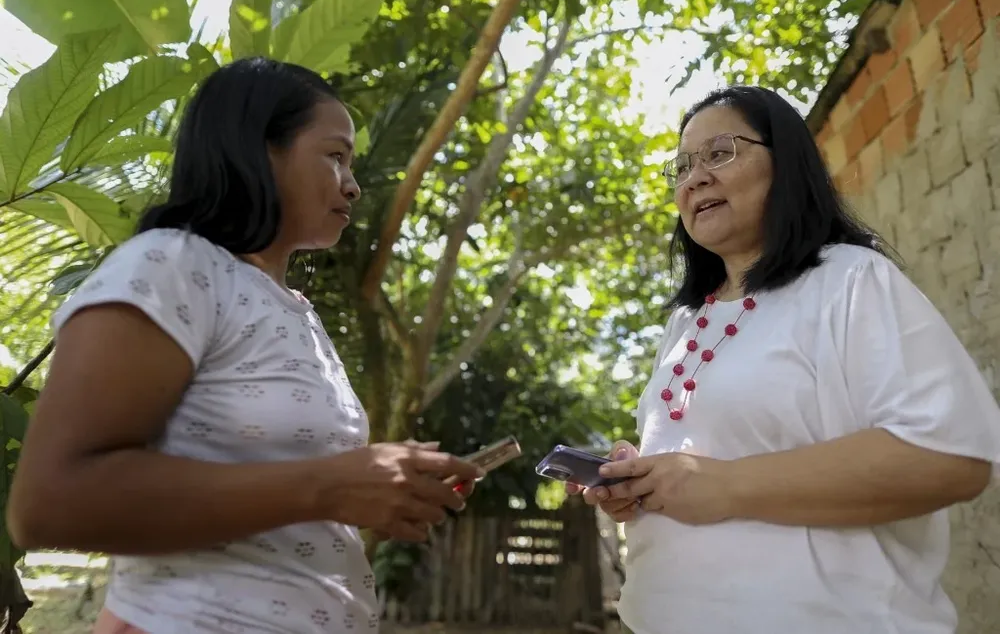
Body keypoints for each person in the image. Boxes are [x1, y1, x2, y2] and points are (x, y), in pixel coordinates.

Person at [6, 58, 484, 634]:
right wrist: (331, 485)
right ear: (257, 150)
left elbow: (279, 495)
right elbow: (50, 502)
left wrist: (375, 488)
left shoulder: (295, 311)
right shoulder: (172, 264)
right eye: (335, 156)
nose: (352, 185)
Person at [573, 86, 1000, 634]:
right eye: (682, 167)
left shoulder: (848, 279)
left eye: (719, 153)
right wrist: (641, 482)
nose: (695, 178)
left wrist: (724, 485)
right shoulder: (686, 322)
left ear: (787, 163)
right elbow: (701, 466)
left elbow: (948, 457)